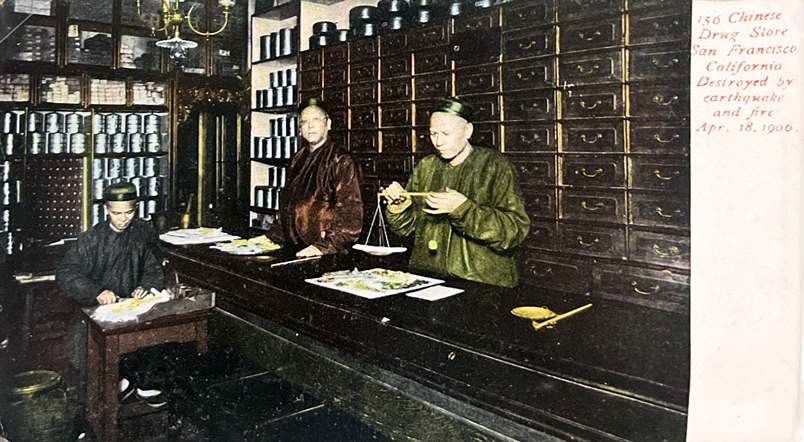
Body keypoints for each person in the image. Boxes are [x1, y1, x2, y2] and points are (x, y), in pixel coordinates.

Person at [383, 98, 530, 287]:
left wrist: (463, 209)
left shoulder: (496, 166)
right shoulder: (427, 167)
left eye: (446, 133)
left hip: (479, 282)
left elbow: (514, 232)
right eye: (433, 134)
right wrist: (399, 207)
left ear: (467, 131)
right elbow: (408, 229)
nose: (438, 142)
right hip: (428, 277)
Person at [56, 181, 168, 407]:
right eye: (116, 213)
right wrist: (96, 291)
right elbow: (65, 273)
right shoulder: (92, 239)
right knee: (98, 363)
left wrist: (145, 286)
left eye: (129, 212)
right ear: (107, 210)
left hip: (131, 306)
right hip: (98, 309)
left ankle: (141, 383)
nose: (123, 219)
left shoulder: (141, 233)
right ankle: (115, 385)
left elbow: (153, 268)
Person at [267, 99, 363, 257]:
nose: (310, 126)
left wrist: (324, 247)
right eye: (304, 122)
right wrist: (271, 237)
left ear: (328, 124)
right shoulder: (297, 159)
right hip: (296, 248)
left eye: (315, 120)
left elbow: (350, 216)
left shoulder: (341, 160)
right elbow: (289, 205)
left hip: (326, 251)